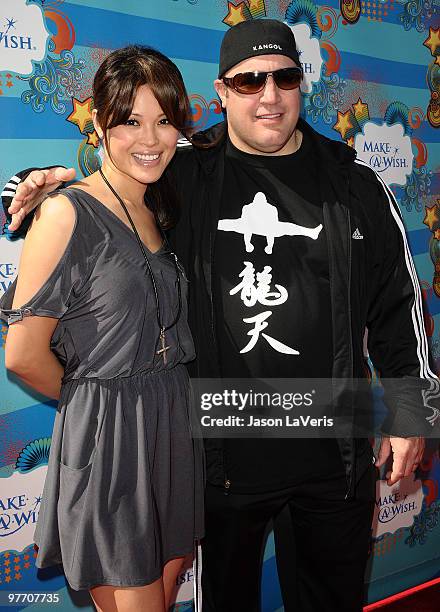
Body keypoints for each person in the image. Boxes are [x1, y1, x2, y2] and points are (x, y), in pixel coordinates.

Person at [2, 19, 436, 612]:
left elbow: (398, 305)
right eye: (249, 80)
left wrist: (411, 412)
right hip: (218, 455)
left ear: (300, 85)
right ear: (224, 91)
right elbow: (121, 169)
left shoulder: (356, 186)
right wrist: (43, 179)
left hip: (334, 450)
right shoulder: (188, 170)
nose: (269, 95)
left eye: (283, 77)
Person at [0, 45, 205, 612]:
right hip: (113, 445)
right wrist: (95, 403)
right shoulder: (67, 212)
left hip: (172, 430)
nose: (151, 138)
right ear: (98, 123)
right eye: (131, 121)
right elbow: (22, 355)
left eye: (164, 120)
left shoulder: (160, 202)